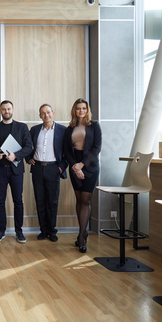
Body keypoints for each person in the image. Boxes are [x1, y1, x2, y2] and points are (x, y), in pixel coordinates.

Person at [0, 100, 32, 243]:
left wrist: (16, 156)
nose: (6, 111)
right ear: (0, 111)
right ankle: (1, 230)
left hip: (16, 170)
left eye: (8, 109)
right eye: (4, 109)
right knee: (0, 201)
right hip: (0, 169)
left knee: (18, 201)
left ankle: (19, 231)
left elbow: (28, 147)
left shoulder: (22, 127)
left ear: (13, 110)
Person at [64, 98, 102, 253]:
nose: (81, 111)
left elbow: (97, 147)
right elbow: (66, 150)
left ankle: (81, 236)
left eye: (84, 108)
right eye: (78, 108)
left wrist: (82, 165)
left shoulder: (94, 125)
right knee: (79, 198)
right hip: (74, 166)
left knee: (85, 199)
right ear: (75, 110)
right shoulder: (69, 128)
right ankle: (83, 231)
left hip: (90, 166)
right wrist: (75, 166)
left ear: (87, 110)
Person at [26, 104, 68, 242]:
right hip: (37, 168)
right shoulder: (34, 130)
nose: (46, 115)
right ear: (40, 116)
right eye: (43, 113)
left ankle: (52, 231)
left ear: (53, 113)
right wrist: (28, 158)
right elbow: (26, 146)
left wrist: (61, 167)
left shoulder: (63, 130)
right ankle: (43, 230)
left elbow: (68, 152)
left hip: (53, 169)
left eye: (48, 112)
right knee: (40, 201)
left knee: (52, 202)